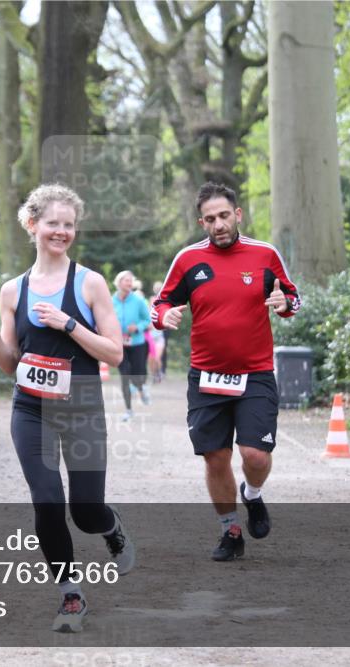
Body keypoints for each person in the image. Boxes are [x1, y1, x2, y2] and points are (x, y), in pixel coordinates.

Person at [0, 184, 136, 633]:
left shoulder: (90, 283)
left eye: (68, 225)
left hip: (81, 407)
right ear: (33, 225)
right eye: (52, 223)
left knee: (85, 511)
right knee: (47, 502)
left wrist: (69, 324)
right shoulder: (12, 290)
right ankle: (70, 595)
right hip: (31, 411)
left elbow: (115, 353)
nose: (60, 231)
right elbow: (11, 364)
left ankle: (111, 527)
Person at [152, 182, 300, 561]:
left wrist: (284, 303)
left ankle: (253, 495)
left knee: (255, 455)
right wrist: (163, 315)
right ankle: (230, 531)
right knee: (215, 458)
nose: (218, 224)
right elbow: (163, 301)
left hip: (255, 374)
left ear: (237, 215)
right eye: (210, 219)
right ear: (202, 222)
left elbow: (291, 297)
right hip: (206, 377)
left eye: (224, 216)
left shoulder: (264, 254)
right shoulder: (187, 259)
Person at [111, 270, 152, 420]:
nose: (129, 283)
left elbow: (147, 320)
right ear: (119, 282)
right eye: (126, 280)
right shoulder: (111, 300)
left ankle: (141, 388)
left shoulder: (138, 301)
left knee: (137, 376)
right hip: (119, 344)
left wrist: (138, 327)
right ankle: (128, 410)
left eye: (130, 281)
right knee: (125, 376)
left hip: (137, 344)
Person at [148, 281, 166, 383]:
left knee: (157, 358)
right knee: (151, 359)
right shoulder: (150, 301)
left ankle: (158, 372)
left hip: (159, 337)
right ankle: (154, 374)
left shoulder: (163, 302)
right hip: (150, 336)